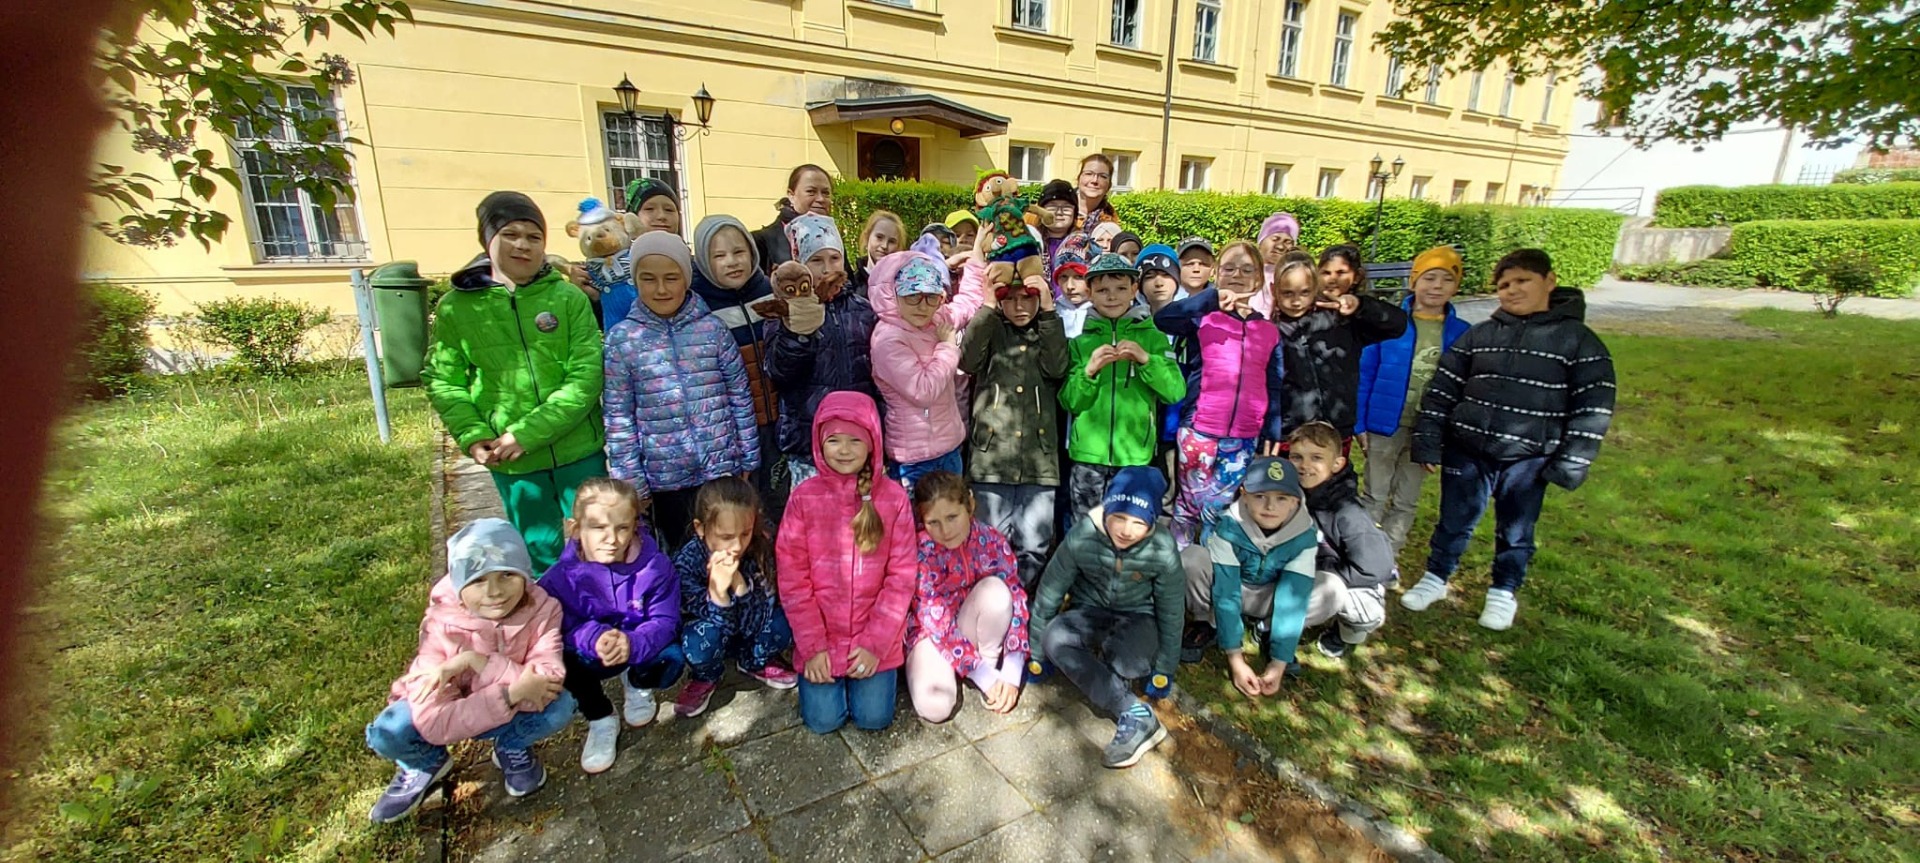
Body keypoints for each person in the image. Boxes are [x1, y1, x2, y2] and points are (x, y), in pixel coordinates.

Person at [1400, 249, 1616, 630]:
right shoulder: (1480, 337)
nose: (1512, 291)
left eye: (1522, 281)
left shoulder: (1578, 341)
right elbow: (1443, 391)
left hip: (1530, 456)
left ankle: (1503, 591)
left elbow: (1594, 402)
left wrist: (1572, 460)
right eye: (1504, 285)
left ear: (1549, 281)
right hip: (1468, 449)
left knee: (1516, 528)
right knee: (1454, 520)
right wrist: (1429, 440)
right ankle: (1436, 577)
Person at [424, 192, 605, 575]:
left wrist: (527, 432)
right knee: (541, 553)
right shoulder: (457, 308)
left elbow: (586, 376)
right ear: (487, 240)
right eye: (510, 234)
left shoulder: (568, 298)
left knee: (600, 544)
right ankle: (550, 629)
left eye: (533, 236)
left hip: (579, 451)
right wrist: (473, 436)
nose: (522, 245)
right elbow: (444, 380)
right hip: (514, 461)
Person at [365, 519, 573, 822]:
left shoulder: (544, 609)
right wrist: (512, 693)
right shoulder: (441, 624)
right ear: (459, 585)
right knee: (390, 731)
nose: (494, 592)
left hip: (495, 708)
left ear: (525, 575)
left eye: (507, 575)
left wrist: (477, 662)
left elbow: (548, 680)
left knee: (562, 705)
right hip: (456, 715)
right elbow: (434, 723)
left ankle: (510, 746)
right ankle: (426, 762)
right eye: (477, 580)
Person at [603, 232, 760, 551]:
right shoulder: (623, 340)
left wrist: (748, 456)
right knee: (678, 552)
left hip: (720, 469)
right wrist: (631, 482)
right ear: (636, 281)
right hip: (664, 480)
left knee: (726, 548)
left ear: (686, 279)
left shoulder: (712, 330)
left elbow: (740, 397)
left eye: (671, 278)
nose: (661, 289)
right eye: (649, 279)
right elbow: (619, 417)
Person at [777, 391, 918, 733]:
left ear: (873, 442)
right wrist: (812, 647)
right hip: (821, 637)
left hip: (874, 640)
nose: (843, 450)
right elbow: (793, 580)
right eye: (834, 440)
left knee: (874, 718)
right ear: (819, 443)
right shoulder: (803, 499)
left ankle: (872, 675)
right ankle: (826, 674)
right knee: (823, 721)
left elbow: (901, 577)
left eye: (855, 440)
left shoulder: (893, 498)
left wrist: (874, 646)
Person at [1028, 468, 1183, 769]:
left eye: (1139, 523)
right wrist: (1037, 652)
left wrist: (1164, 667)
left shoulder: (1163, 548)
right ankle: (1133, 713)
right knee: (1055, 639)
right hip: (1088, 612)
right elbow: (1050, 590)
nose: (1126, 530)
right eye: (1119, 517)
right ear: (1107, 508)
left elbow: (1172, 610)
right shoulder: (1083, 535)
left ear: (1152, 522)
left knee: (1129, 662)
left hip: (1138, 616)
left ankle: (1109, 676)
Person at [539, 478, 683, 774]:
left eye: (622, 528)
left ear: (635, 527)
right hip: (591, 653)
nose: (612, 539)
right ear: (575, 528)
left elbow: (666, 620)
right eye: (598, 527)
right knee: (556, 656)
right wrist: (594, 638)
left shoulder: (655, 567)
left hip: (637, 643)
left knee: (672, 657)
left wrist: (632, 643)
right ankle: (601, 716)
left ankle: (637, 683)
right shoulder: (558, 578)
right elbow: (557, 625)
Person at [1153, 241, 1280, 547]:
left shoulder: (1268, 330)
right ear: (1217, 274)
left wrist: (1272, 430)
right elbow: (1163, 319)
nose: (1238, 275)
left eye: (1247, 269)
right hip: (1199, 429)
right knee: (1189, 504)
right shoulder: (1202, 317)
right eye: (1230, 268)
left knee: (1219, 508)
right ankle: (1177, 563)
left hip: (1244, 435)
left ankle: (1211, 566)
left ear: (1259, 279)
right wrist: (1209, 299)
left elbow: (1274, 382)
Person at [958, 253, 1069, 587]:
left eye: (1028, 299)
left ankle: (1021, 601)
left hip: (1039, 459)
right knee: (988, 540)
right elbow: (968, 358)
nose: (1020, 307)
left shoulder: (1048, 329)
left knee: (1034, 545)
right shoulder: (993, 329)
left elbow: (1057, 367)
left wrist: (1049, 312)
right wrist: (988, 306)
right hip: (992, 456)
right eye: (1012, 300)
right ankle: (991, 605)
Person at [1355, 246, 1472, 554]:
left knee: (1407, 497)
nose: (1436, 286)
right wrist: (1359, 423)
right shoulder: (1390, 323)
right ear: (1414, 282)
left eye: (1446, 280)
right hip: (1383, 424)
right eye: (1429, 277)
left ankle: (1390, 553)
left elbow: (1463, 388)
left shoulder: (1462, 334)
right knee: (1374, 493)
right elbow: (1365, 373)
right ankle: (1364, 554)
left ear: (1456, 286)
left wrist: (1448, 435)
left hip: (1428, 430)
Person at [1177, 457, 1318, 695]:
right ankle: (1208, 622)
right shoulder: (1229, 526)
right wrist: (1236, 660)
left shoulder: (1305, 534)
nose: (1270, 507)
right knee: (1192, 558)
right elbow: (1226, 590)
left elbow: (1294, 594)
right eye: (1260, 496)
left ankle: (1269, 629)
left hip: (1270, 596)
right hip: (1235, 588)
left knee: (1331, 589)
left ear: (1295, 501)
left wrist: (1278, 663)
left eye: (1281, 498)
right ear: (1244, 494)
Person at [1061, 253, 1187, 515]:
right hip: (1087, 457)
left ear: (1134, 290)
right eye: (1102, 290)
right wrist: (1090, 371)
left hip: (1135, 457)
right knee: (1086, 531)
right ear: (1090, 293)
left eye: (1120, 289)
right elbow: (1070, 401)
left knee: (1128, 527)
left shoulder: (1154, 337)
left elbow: (1175, 391)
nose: (1111, 296)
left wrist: (1145, 360)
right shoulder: (1080, 341)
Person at [764, 213, 879, 487]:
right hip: (808, 445)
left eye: (834, 258)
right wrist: (798, 331)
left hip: (857, 442)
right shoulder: (783, 311)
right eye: (816, 260)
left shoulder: (863, 309)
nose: (827, 269)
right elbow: (779, 371)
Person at [906, 472, 1031, 723]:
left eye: (953, 517)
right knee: (935, 708)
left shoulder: (991, 540)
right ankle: (974, 671)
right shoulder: (921, 552)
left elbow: (1016, 597)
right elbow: (936, 623)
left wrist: (1013, 666)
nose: (945, 530)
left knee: (997, 591)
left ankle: (987, 661)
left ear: (970, 505)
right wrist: (980, 674)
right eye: (933, 522)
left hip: (970, 626)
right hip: (932, 637)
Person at [673, 476, 796, 718]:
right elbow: (715, 626)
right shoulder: (687, 564)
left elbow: (761, 616)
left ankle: (754, 660)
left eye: (745, 533)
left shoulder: (759, 548)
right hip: (716, 634)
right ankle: (706, 676)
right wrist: (718, 594)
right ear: (700, 528)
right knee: (697, 640)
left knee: (788, 619)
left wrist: (741, 587)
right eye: (726, 536)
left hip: (752, 631)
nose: (737, 545)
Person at [869, 234, 986, 491]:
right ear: (893, 293)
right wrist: (947, 347)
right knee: (919, 525)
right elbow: (923, 391)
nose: (922, 306)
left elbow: (967, 303)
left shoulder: (936, 319)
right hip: (914, 456)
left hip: (949, 447)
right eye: (913, 296)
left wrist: (977, 257)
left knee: (951, 523)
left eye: (931, 296)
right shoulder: (888, 339)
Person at [1259, 251, 1408, 451]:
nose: (1296, 301)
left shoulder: (1341, 321)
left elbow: (1397, 325)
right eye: (1288, 293)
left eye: (1304, 292)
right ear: (1273, 289)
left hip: (1336, 431)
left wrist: (1360, 305)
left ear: (1315, 288)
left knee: (1338, 482)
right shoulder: (1267, 331)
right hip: (1291, 435)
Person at [690, 215, 785, 515]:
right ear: (704, 260)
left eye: (739, 252)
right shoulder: (699, 305)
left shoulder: (770, 291)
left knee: (776, 497)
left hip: (776, 416)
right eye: (719, 255)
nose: (731, 261)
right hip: (734, 426)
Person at [1288, 423, 1394, 658]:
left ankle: (1346, 632)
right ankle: (1280, 619)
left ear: (1337, 463)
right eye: (1297, 457)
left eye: (1316, 458)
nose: (1304, 466)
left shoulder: (1347, 512)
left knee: (1362, 609)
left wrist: (1325, 574)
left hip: (1352, 579)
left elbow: (1376, 567)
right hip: (1311, 567)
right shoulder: (1291, 494)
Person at [754, 164, 834, 273]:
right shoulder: (762, 242)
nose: (821, 199)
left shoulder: (832, 238)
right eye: (811, 191)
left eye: (826, 193)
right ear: (791, 195)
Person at [1250, 212, 1300, 318]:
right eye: (1275, 239)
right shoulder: (1244, 271)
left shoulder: (1294, 276)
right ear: (1261, 241)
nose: (1280, 246)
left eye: (1287, 242)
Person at [850, 209, 906, 300]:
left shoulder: (903, 284)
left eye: (892, 241)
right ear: (867, 237)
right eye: (879, 237)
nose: (884, 246)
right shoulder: (852, 284)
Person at [1051, 232, 1098, 338]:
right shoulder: (1054, 312)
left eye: (1079, 277)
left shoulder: (1103, 310)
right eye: (1063, 277)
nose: (1070, 286)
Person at [1036, 179, 1080, 270]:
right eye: (1052, 206)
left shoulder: (1084, 244)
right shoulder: (1030, 241)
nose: (1059, 212)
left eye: (1066, 207)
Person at [1074, 154, 1119, 229]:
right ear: (1079, 178)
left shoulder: (1110, 217)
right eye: (1088, 174)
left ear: (1109, 184)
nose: (1094, 180)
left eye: (1103, 176)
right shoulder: (1060, 210)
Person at [1135, 244, 1186, 312]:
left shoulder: (1196, 317)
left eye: (1166, 275)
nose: (1159, 283)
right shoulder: (1128, 319)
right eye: (1150, 277)